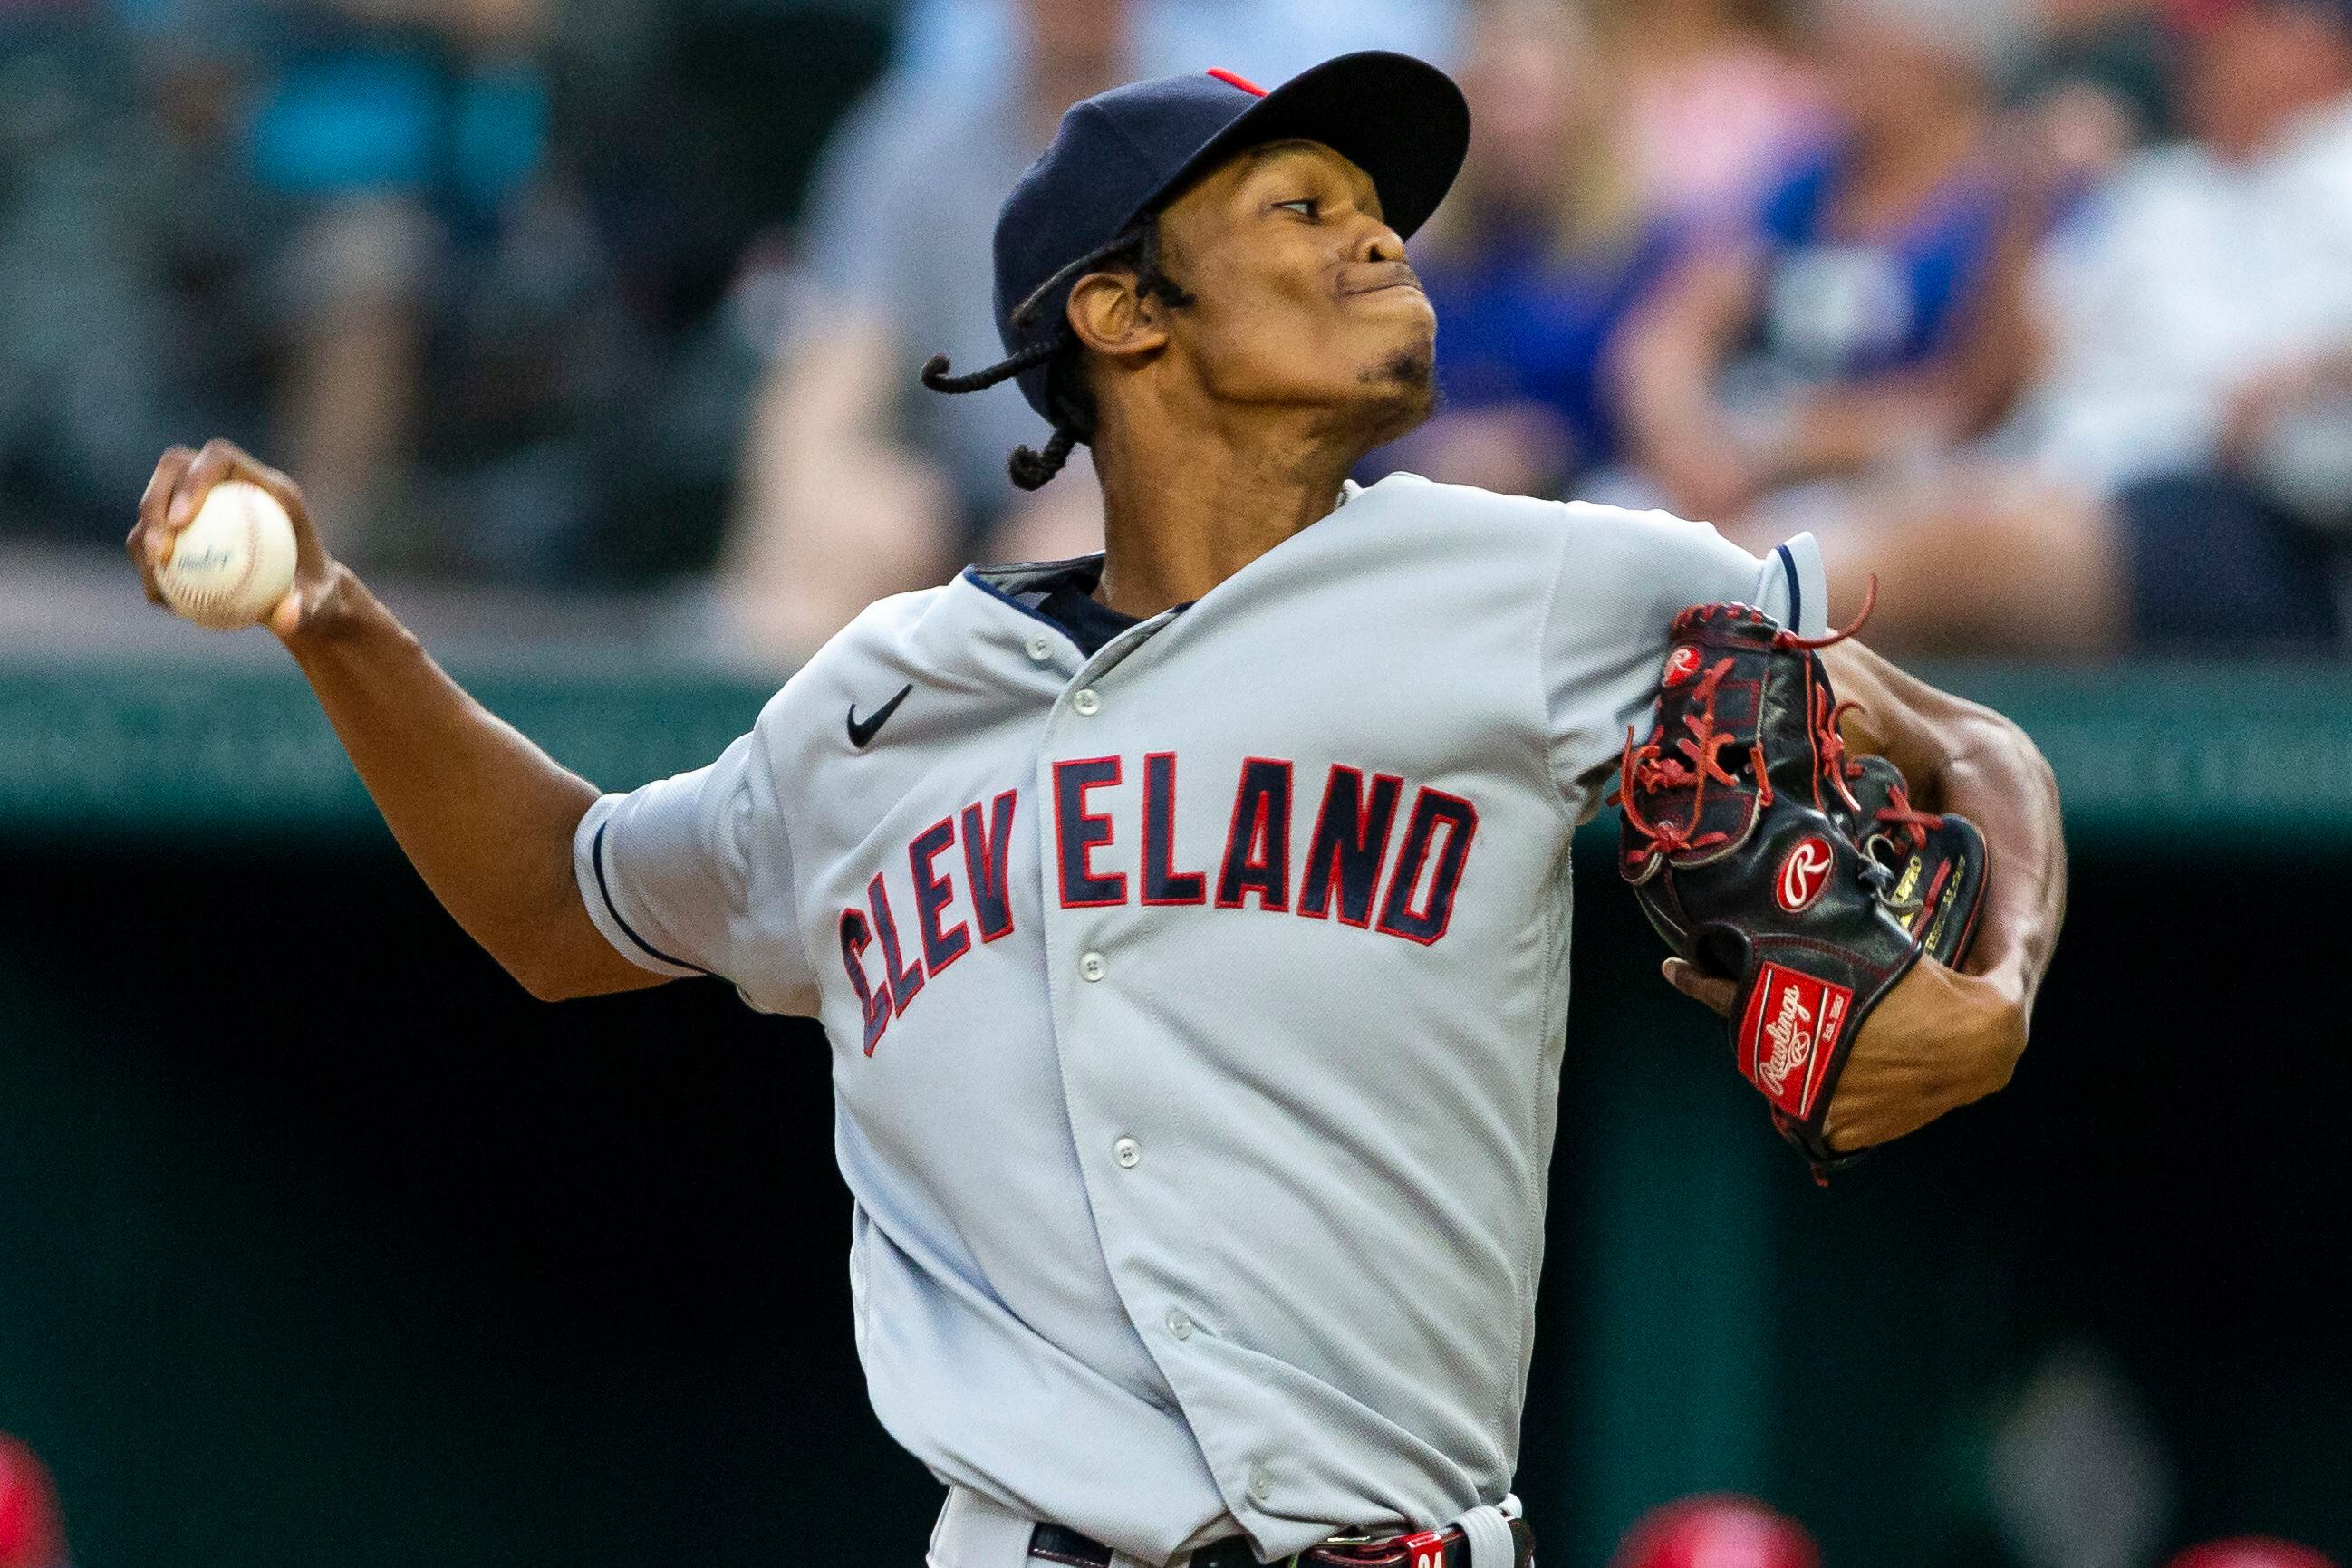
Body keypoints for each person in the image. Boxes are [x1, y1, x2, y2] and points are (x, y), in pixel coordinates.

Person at [127, 50, 2066, 1568]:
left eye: (1379, 210)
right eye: (1301, 205)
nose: (1377, 236)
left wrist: (1995, 983)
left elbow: (1968, 750)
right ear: (1125, 315)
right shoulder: (877, 703)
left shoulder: (1548, 581)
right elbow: (564, 902)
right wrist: (330, 615)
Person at [1740, 0, 2352, 652]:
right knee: (1833, 523)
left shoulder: (2336, 158)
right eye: (2198, 43)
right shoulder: (2157, 189)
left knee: (1972, 547)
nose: (2202, 62)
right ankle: (1717, 612)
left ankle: (1727, 617)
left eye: (2236, 38)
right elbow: (1996, 391)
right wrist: (2027, 201)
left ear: (2317, 42)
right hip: (2063, 475)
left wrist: (2308, 375)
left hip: (2253, 514)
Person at [721, 0, 1138, 662]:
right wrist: (805, 503)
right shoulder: (912, 143)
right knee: (847, 529)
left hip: (1119, 486)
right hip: (945, 493)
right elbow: (833, 366)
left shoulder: (1211, 146)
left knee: (1079, 557)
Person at [1609, 0, 2043, 541]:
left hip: (1898, 488)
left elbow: (1975, 406)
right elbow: (1676, 329)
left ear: (1936, 61)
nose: (1836, 62)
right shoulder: (1809, 179)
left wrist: (1791, 447)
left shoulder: (2007, 195)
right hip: (1743, 460)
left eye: (1862, 43)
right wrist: (1684, 438)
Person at [1361, 0, 1682, 498]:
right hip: (1428, 498)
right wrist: (1427, 452)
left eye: (1527, 99)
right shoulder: (1423, 252)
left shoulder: (1653, 249)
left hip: (1591, 503)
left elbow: (1656, 418)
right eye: (1490, 97)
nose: (1508, 126)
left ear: (1586, 104)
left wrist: (1550, 452)